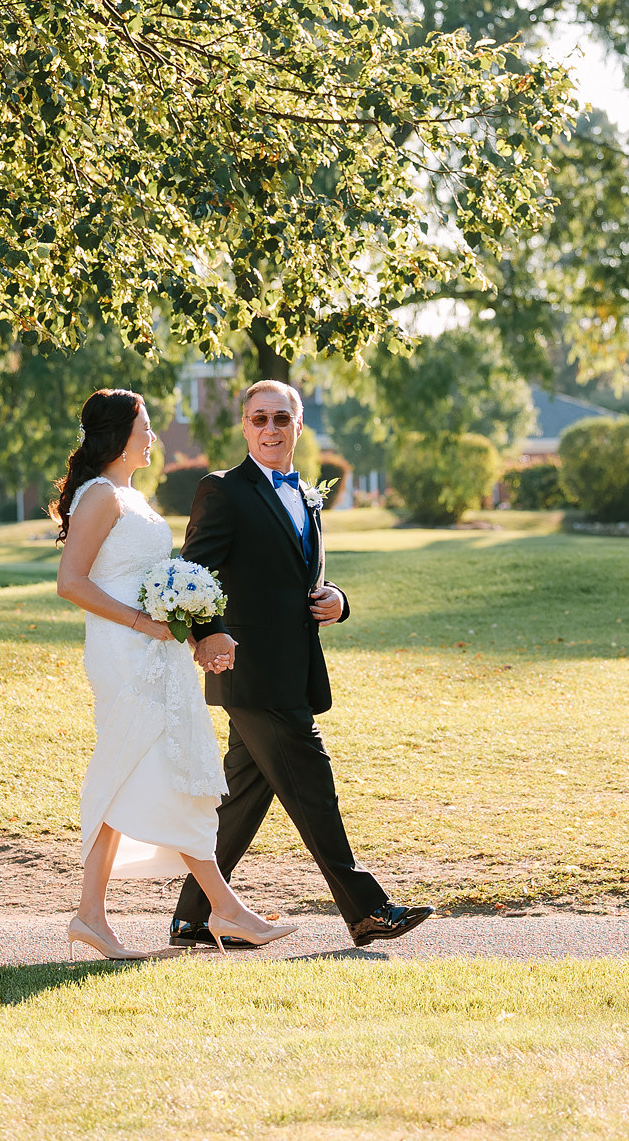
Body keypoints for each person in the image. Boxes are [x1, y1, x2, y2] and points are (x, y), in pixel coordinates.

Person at [169, 380, 432, 951]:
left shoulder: (307, 495)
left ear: (298, 427)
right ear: (244, 427)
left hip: (293, 669)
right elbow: (191, 578)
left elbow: (303, 577)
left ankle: (192, 917)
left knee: (240, 799)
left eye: (281, 419)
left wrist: (336, 599)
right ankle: (368, 911)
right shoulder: (224, 490)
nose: (270, 429)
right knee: (314, 789)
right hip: (252, 674)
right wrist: (209, 633)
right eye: (259, 419)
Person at [53, 387, 299, 960]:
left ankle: (92, 913)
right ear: (119, 435)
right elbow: (72, 582)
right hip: (124, 653)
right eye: (144, 427)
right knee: (159, 767)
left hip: (155, 649)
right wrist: (143, 623)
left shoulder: (129, 495)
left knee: (132, 770)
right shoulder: (100, 497)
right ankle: (225, 907)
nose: (153, 437)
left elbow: (151, 580)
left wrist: (190, 630)